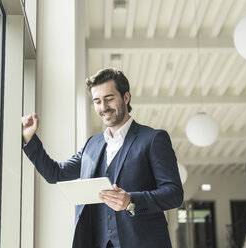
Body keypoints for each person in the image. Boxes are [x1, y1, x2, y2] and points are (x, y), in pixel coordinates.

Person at [21, 68, 183, 248]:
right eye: (97, 101)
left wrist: (132, 200)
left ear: (126, 98)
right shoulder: (92, 144)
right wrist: (29, 139)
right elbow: (55, 173)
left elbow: (174, 194)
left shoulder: (153, 139)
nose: (103, 107)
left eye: (109, 99)